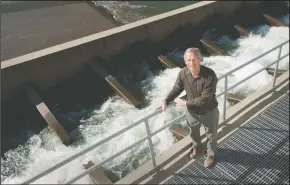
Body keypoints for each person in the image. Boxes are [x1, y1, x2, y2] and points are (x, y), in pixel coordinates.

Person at [161, 48, 219, 168]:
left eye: (194, 60)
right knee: (194, 133)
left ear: (200, 59)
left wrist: (186, 103)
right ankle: (197, 149)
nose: (191, 63)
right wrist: (166, 100)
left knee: (211, 135)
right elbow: (177, 88)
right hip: (192, 112)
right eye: (188, 60)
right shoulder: (183, 73)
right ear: (185, 61)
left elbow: (205, 98)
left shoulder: (210, 75)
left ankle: (210, 155)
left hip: (209, 111)